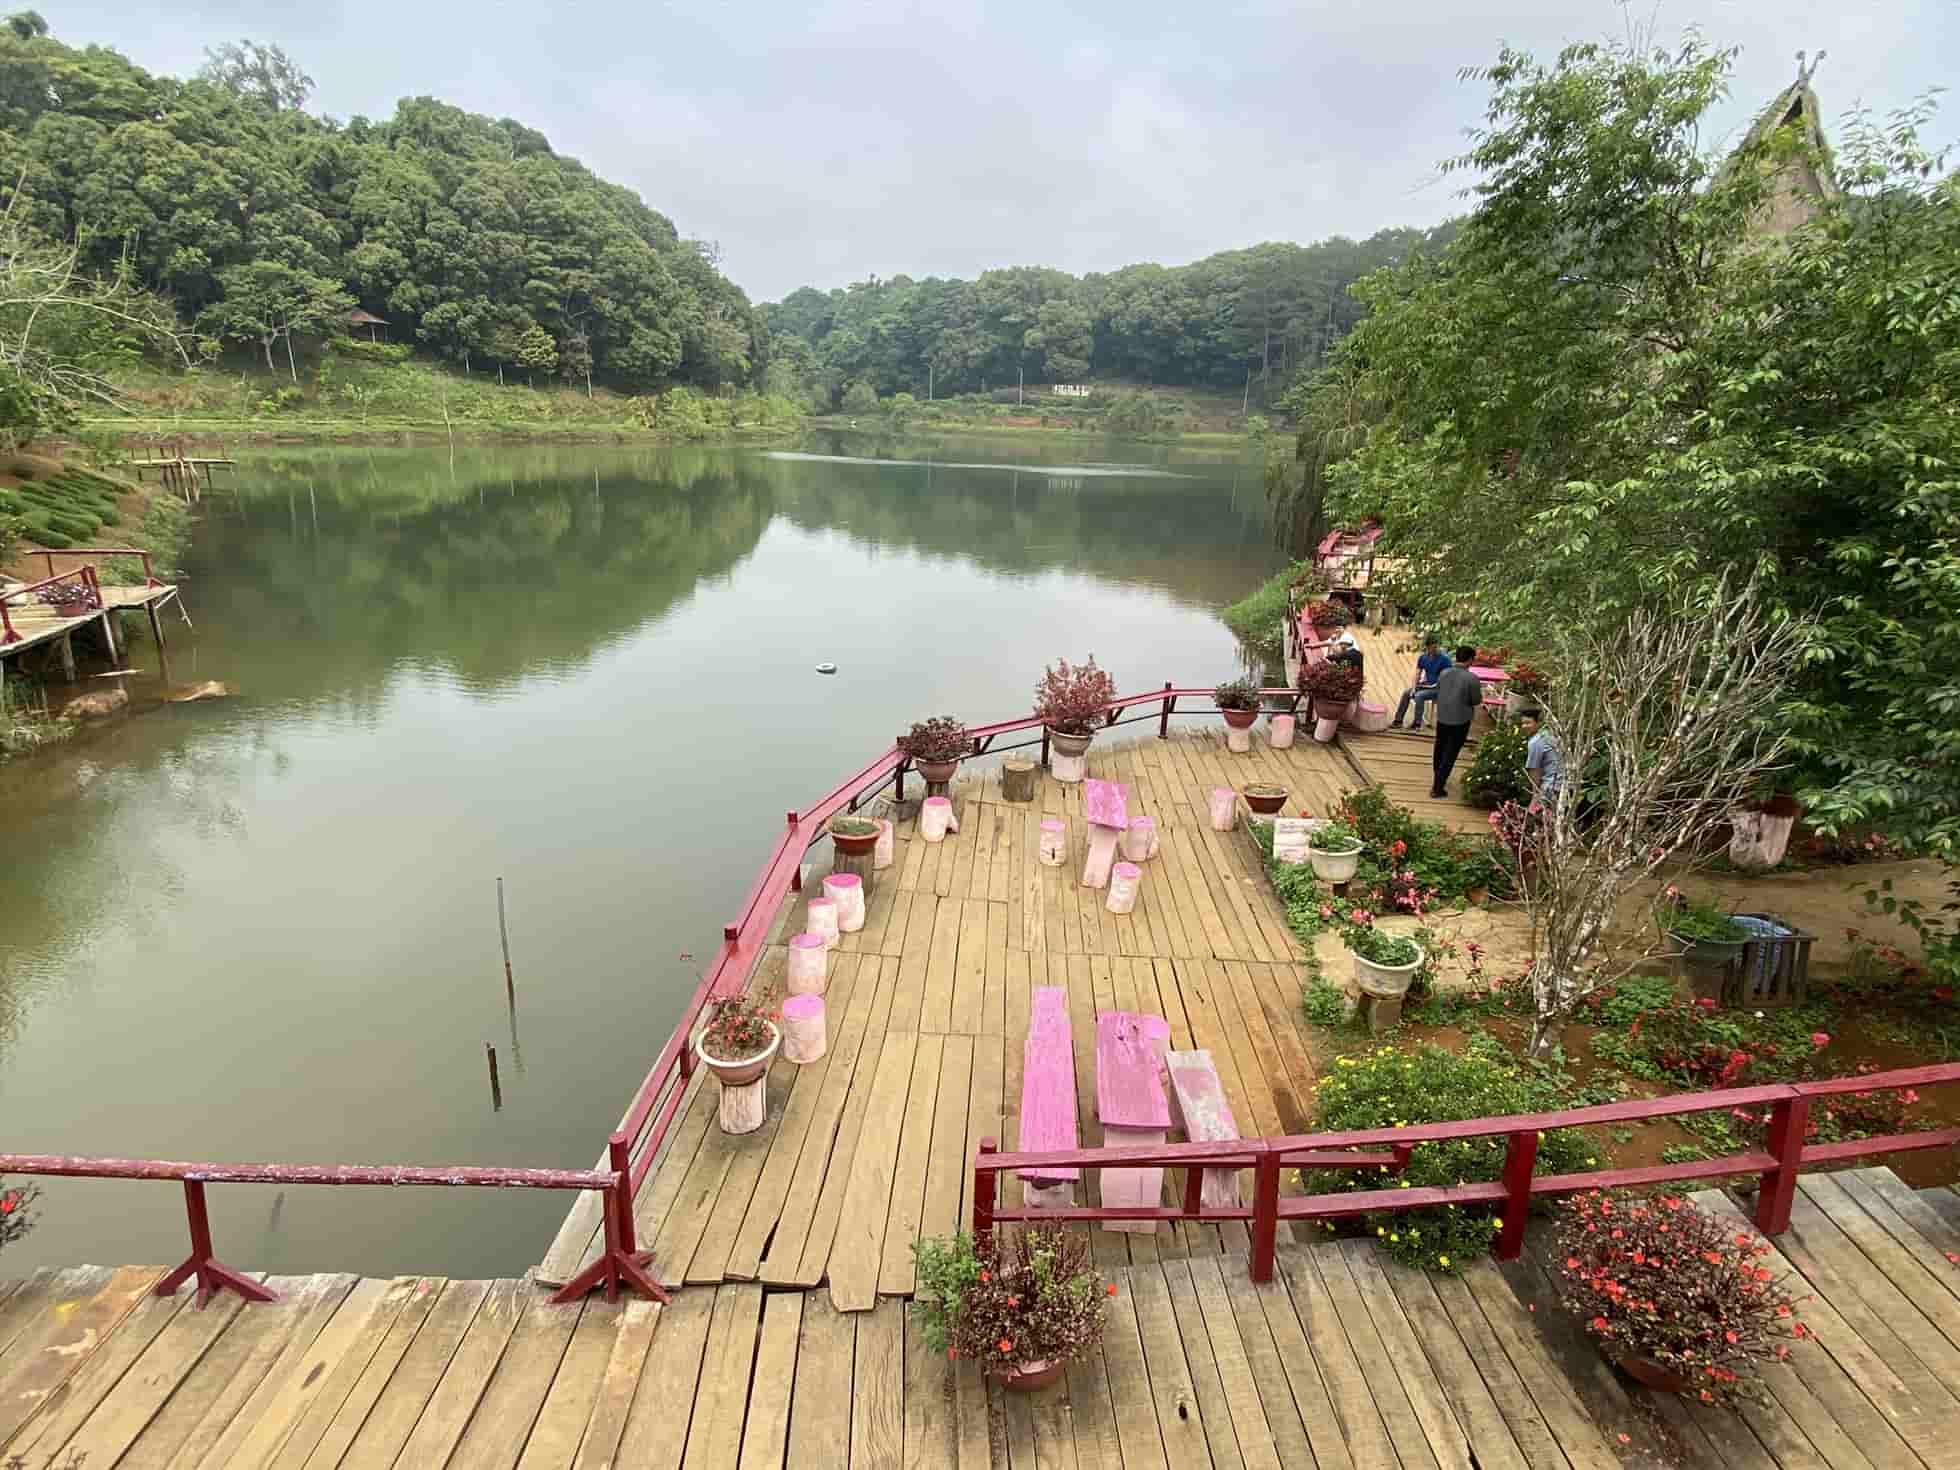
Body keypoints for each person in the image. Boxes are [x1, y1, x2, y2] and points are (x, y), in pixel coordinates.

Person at [1429, 646, 1483, 798]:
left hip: (1442, 717)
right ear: (1470, 660)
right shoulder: (1471, 679)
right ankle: (1438, 787)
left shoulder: (1444, 673)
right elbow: (1476, 700)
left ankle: (1437, 778)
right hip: (1460, 720)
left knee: (1439, 748)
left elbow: (1438, 690)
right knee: (1450, 752)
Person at [1391, 635, 1451, 730]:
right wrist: (1414, 688)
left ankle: (1417, 723)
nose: (1435, 649)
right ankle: (1398, 720)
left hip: (1439, 688)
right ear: (1427, 647)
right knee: (1407, 693)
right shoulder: (1423, 658)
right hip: (1427, 685)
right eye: (1432, 647)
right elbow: (1417, 674)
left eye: (1436, 647)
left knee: (1419, 696)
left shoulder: (1444, 659)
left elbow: (1448, 677)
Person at [1520, 708, 1564, 804]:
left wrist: (1535, 796)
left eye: (1528, 723)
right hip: (1565, 785)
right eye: (1522, 723)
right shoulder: (1550, 734)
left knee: (1536, 816)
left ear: (1538, 723)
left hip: (1552, 786)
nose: (1524, 726)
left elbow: (1534, 771)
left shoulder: (1536, 741)